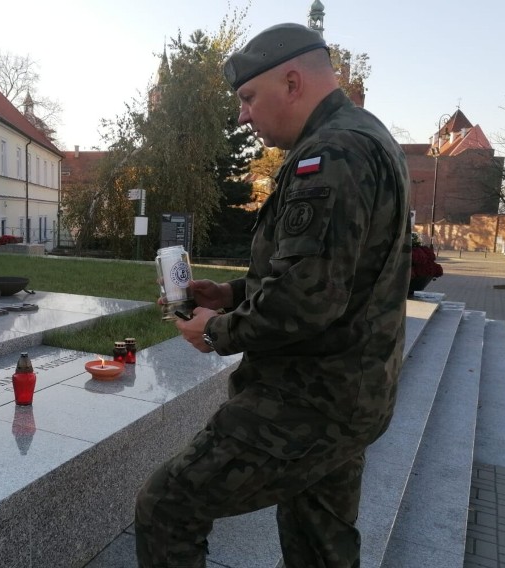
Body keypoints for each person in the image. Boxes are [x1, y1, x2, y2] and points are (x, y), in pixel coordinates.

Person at [134, 22, 411, 568]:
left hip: (306, 399)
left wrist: (214, 329)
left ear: (292, 82)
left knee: (168, 505)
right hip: (352, 391)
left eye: (247, 97)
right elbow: (338, 271)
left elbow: (307, 299)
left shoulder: (331, 154)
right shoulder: (368, 136)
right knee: (319, 544)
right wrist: (233, 292)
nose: (242, 114)